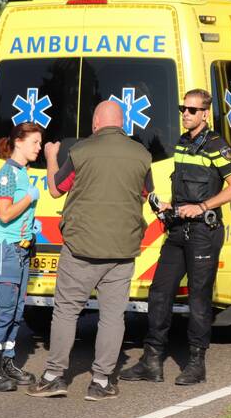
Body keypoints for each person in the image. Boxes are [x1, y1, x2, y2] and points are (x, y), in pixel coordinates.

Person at [30, 100, 153, 401]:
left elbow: (57, 188)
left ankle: (54, 376)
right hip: (122, 249)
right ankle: (100, 381)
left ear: (96, 123)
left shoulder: (81, 151)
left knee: (67, 310)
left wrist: (50, 157)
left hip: (81, 247)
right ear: (122, 123)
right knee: (112, 317)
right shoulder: (142, 154)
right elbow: (145, 193)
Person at [120, 89, 231, 386]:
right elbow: (184, 189)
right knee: (160, 292)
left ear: (204, 113)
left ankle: (196, 364)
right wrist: (169, 207)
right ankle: (152, 361)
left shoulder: (216, 145)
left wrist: (201, 207)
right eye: (183, 108)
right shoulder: (182, 144)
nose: (186, 114)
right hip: (177, 229)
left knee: (199, 299)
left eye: (192, 109)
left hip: (204, 232)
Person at [0, 123, 43, 391]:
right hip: (5, 249)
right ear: (19, 141)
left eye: (40, 143)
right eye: (35, 142)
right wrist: (29, 199)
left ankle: (6, 361)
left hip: (20, 249)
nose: (39, 148)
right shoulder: (7, 174)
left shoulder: (22, 173)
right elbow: (4, 215)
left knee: (16, 311)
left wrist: (31, 228)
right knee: (2, 310)